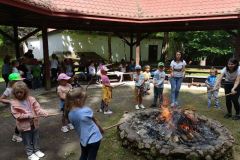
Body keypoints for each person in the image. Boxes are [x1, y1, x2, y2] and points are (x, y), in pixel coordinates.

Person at [10, 81, 48, 160]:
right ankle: (30, 153)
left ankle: (36, 150)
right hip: (24, 126)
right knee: (27, 140)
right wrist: (28, 115)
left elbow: (37, 109)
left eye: (21, 92)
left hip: (34, 123)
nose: (19, 94)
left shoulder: (31, 99)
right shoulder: (14, 103)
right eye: (17, 92)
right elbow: (16, 115)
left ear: (25, 91)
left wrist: (43, 112)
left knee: (36, 137)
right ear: (14, 93)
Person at [66, 87, 103, 160]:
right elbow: (95, 121)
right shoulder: (86, 110)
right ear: (78, 100)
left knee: (84, 155)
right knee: (92, 157)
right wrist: (101, 129)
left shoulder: (69, 113)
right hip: (94, 138)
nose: (85, 102)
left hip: (83, 139)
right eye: (84, 100)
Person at [0, 73, 24, 143]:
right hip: (15, 110)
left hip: (22, 108)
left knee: (23, 121)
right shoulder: (8, 90)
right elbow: (1, 99)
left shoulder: (20, 88)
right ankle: (15, 136)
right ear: (12, 82)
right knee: (20, 122)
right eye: (18, 81)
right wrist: (10, 101)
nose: (20, 82)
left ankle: (21, 133)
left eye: (20, 81)